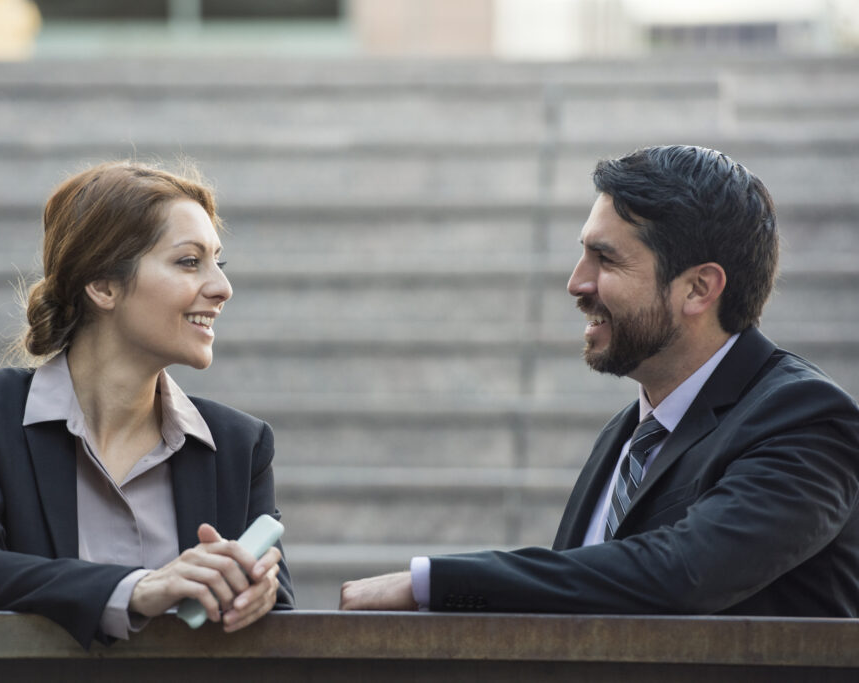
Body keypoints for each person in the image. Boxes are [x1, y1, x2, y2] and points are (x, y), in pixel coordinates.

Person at [340, 144, 859, 616]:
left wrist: (434, 582)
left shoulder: (805, 419)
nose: (576, 283)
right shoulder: (627, 433)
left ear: (699, 288)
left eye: (605, 259)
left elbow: (682, 573)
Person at [0, 160, 293, 649]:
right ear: (103, 285)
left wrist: (260, 597)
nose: (222, 289)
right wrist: (137, 589)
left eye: (217, 263)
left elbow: (283, 632)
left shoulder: (242, 445)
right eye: (188, 261)